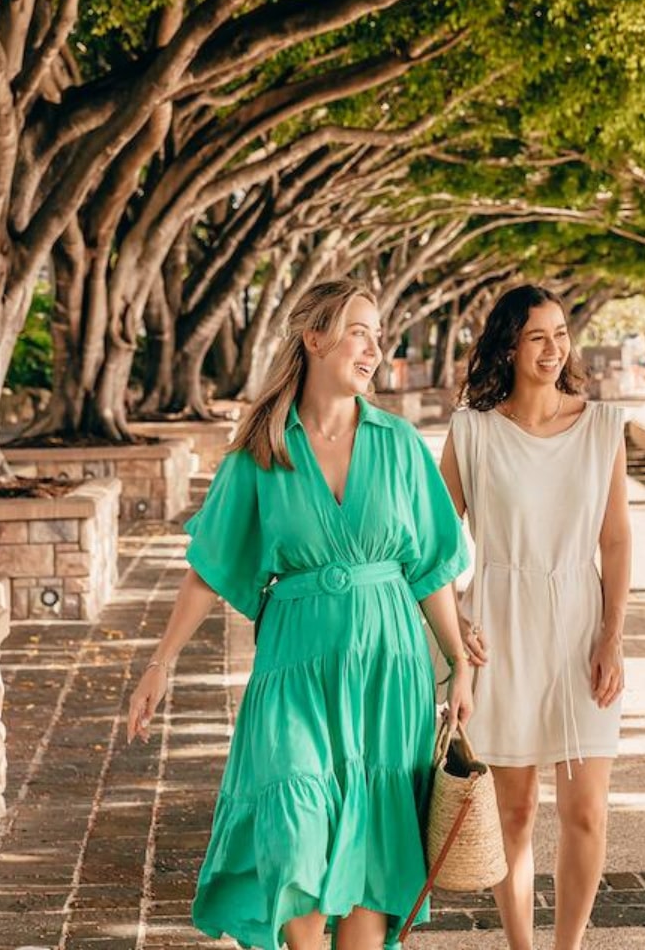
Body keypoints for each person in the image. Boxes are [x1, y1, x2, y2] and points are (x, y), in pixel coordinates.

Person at [125, 279, 474, 950]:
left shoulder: (398, 444)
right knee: (293, 836)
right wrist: (160, 663)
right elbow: (211, 564)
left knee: (375, 852)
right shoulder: (265, 445)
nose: (374, 347)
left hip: (387, 666)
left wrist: (459, 663)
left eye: (378, 333)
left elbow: (432, 567)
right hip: (294, 665)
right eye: (358, 331)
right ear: (314, 338)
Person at [437, 285, 632, 950]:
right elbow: (433, 543)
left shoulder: (603, 428)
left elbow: (615, 541)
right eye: (537, 337)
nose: (554, 349)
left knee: (587, 813)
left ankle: (567, 946)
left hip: (581, 622)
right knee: (513, 812)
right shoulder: (473, 431)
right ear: (510, 347)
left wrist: (613, 634)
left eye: (560, 334)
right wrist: (456, 625)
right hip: (502, 622)